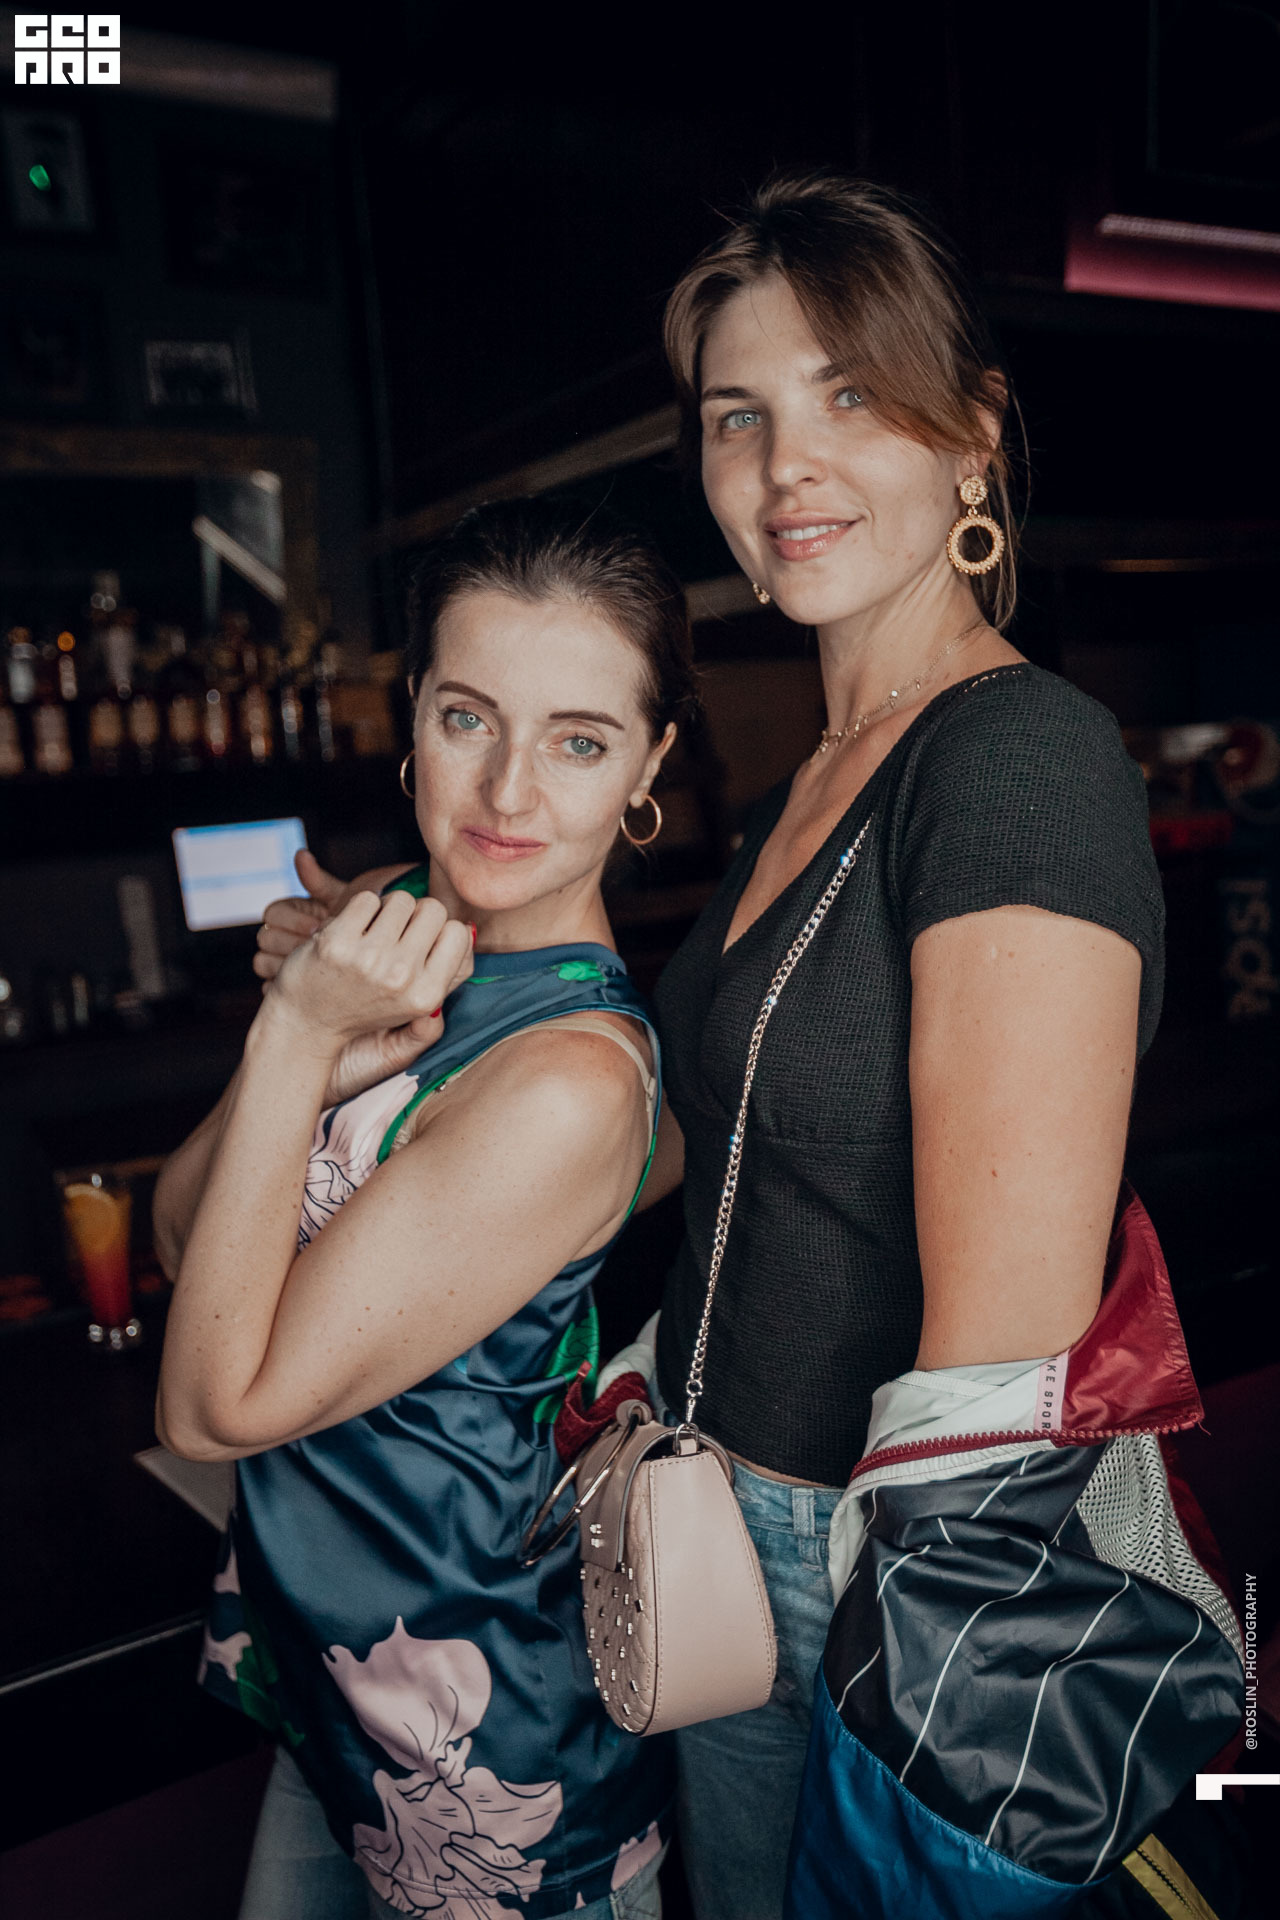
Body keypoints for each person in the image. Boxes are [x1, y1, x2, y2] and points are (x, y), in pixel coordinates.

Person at [639, 173, 1242, 1920]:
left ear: (974, 437)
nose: (784, 465)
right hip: (717, 1542)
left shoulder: (1015, 756)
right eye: (738, 414)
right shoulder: (810, 783)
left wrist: (900, 1682)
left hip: (869, 1593)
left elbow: (1002, 1365)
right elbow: (692, 1140)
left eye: (849, 393)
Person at [153, 497, 697, 1920]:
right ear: (412, 724)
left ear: (649, 768)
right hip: (331, 1696)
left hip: (488, 1765)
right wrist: (307, 1035)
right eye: (470, 719)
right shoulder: (402, 920)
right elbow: (179, 1234)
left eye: (579, 741)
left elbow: (210, 1405)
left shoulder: (571, 1079)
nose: (508, 792)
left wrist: (296, 1032)